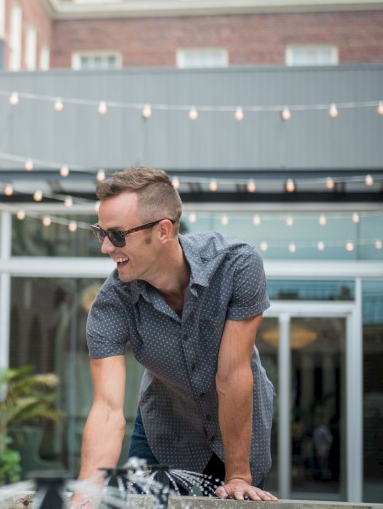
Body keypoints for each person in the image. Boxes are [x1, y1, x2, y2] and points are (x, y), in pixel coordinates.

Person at [73, 166, 277, 506]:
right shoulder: (111, 305)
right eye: (101, 233)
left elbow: (232, 375)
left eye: (118, 235)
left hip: (240, 430)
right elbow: (108, 409)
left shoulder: (236, 265)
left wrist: (238, 474)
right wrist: (86, 494)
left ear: (164, 230)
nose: (106, 247)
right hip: (164, 430)